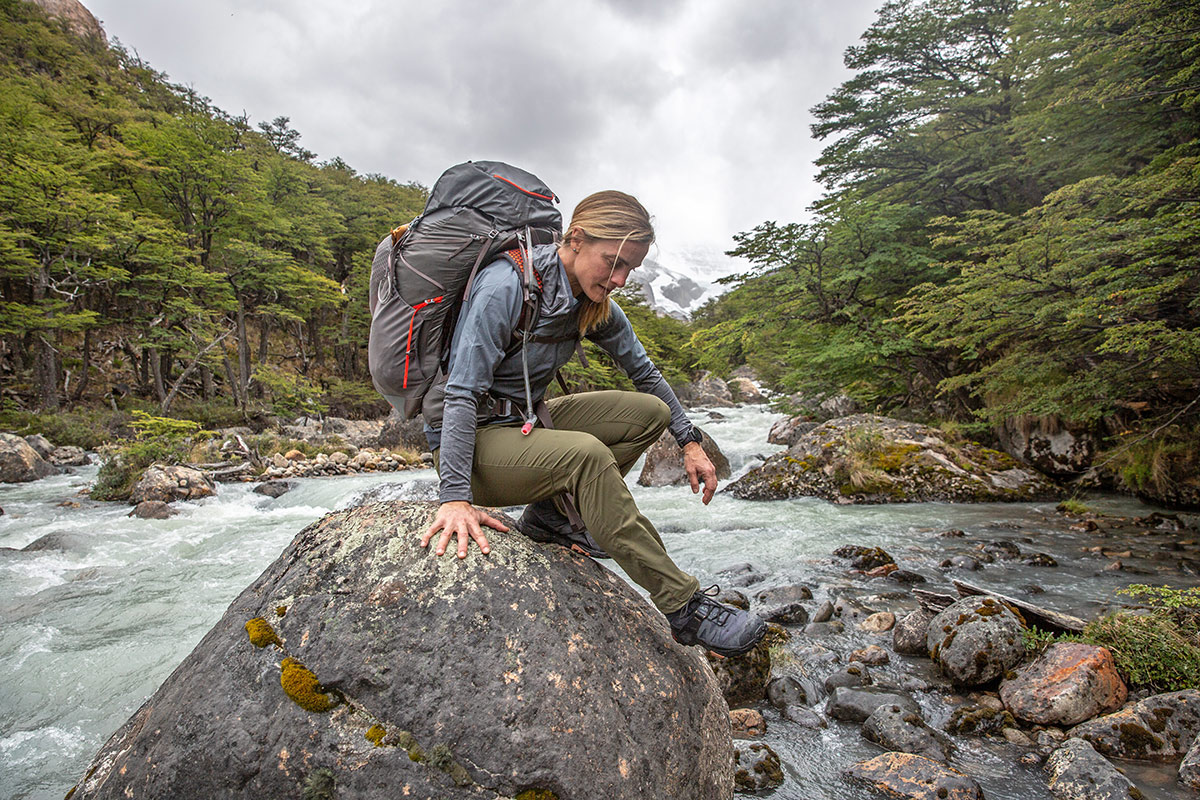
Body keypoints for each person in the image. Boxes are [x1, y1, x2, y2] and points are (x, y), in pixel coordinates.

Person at [418, 190, 766, 657]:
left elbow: (645, 374)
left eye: (630, 270)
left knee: (651, 413)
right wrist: (455, 499)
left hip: (524, 424)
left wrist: (689, 441)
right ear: (576, 240)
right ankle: (683, 607)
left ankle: (553, 518)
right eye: (613, 263)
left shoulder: (590, 300)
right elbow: (460, 395)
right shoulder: (505, 286)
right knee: (587, 457)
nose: (620, 279)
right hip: (470, 445)